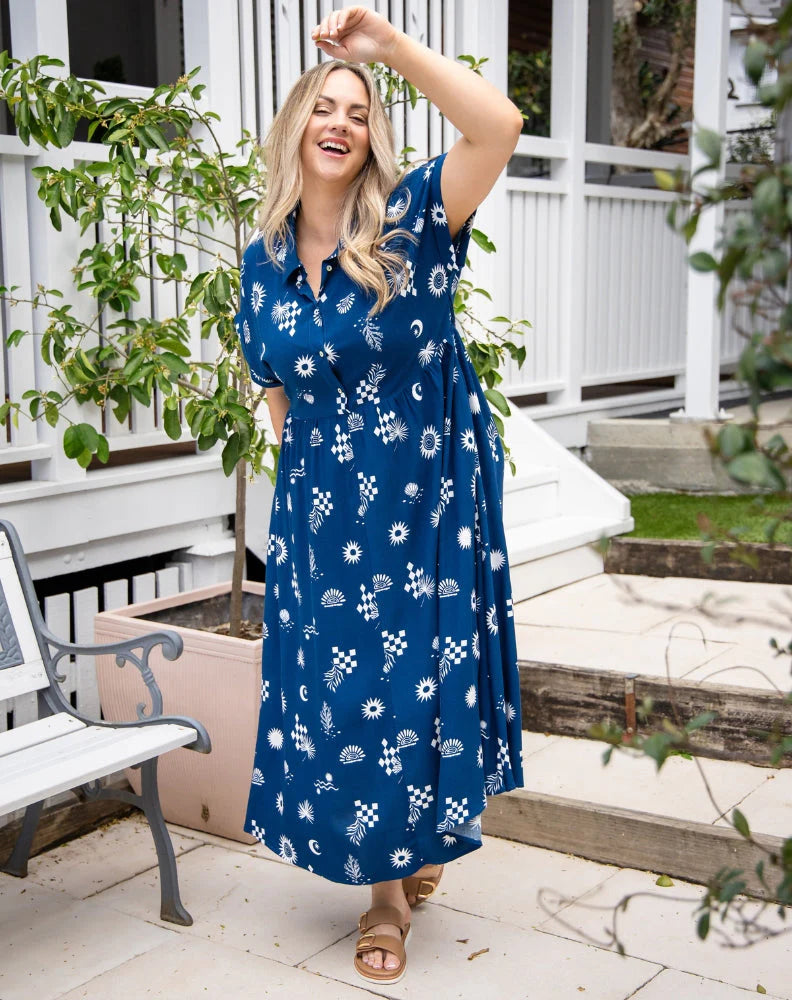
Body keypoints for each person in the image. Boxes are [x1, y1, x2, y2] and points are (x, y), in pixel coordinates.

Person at [234, 5, 524, 986]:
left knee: (414, 685)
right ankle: (397, 870)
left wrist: (388, 48)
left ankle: (390, 891)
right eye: (325, 106)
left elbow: (499, 126)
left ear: (371, 137)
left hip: (424, 501)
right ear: (296, 126)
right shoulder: (261, 264)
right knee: (348, 695)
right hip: (322, 517)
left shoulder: (416, 222)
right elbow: (276, 391)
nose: (341, 122)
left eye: (359, 112)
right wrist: (306, 507)